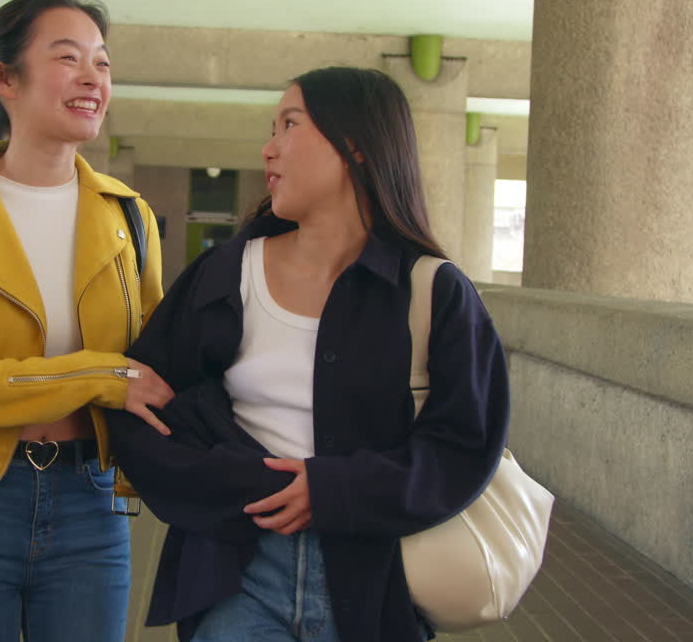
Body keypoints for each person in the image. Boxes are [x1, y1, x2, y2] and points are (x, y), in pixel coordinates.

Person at [107, 66, 511, 642]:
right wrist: (235, 482)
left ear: (355, 145)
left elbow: (465, 446)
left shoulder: (435, 291)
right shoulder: (227, 274)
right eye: (272, 130)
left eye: (290, 125)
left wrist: (335, 491)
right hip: (236, 578)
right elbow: (140, 407)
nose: (269, 149)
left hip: (374, 588)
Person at [0, 0, 174, 642]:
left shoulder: (129, 217)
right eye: (68, 58)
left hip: (92, 502)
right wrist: (105, 377)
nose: (92, 78)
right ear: (3, 78)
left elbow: (157, 364)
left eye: (102, 62)